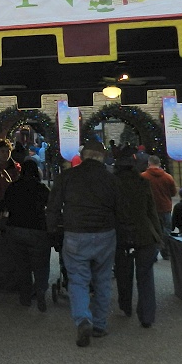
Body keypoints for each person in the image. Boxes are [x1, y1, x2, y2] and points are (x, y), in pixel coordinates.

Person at [47, 139, 122, 348]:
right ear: (102, 157)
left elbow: (53, 206)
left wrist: (52, 230)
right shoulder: (111, 179)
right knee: (103, 280)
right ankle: (99, 324)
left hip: (75, 233)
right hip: (106, 233)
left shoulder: (67, 176)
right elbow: (120, 210)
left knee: (78, 279)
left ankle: (82, 319)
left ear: (83, 156)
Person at [0, 159, 51, 311]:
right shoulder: (41, 188)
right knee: (41, 265)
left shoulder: (13, 187)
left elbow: (2, 205)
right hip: (38, 230)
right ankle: (40, 291)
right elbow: (52, 205)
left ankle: (25, 297)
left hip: (15, 231)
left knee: (22, 266)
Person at [113, 154, 162, 328]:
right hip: (144, 234)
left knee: (123, 274)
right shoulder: (143, 183)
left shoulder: (113, 185)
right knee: (145, 277)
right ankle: (147, 315)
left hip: (121, 235)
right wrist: (158, 235)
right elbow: (151, 212)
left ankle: (126, 306)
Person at [142, 155, 177, 260]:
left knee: (153, 231)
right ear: (159, 164)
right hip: (165, 207)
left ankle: (153, 253)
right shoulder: (168, 177)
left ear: (149, 164)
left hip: (150, 208)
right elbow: (173, 193)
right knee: (166, 230)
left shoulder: (143, 177)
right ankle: (165, 251)